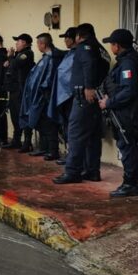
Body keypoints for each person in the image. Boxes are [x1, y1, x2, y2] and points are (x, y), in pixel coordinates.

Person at [99, 29, 138, 198]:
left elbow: (128, 90)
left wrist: (109, 102)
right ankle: (135, 182)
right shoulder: (136, 60)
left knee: (127, 146)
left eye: (112, 44)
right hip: (131, 111)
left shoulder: (128, 63)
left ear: (118, 45)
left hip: (128, 113)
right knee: (129, 145)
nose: (111, 47)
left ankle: (130, 184)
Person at [54, 23, 109, 185]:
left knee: (75, 134)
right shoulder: (101, 49)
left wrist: (89, 86)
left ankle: (72, 172)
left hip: (85, 97)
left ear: (79, 36)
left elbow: (89, 65)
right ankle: (92, 171)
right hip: (95, 98)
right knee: (92, 136)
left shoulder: (85, 47)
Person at [22, 33, 64, 161]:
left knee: (49, 124)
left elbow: (47, 79)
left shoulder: (51, 59)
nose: (37, 46)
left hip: (46, 96)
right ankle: (44, 148)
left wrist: (43, 93)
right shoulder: (48, 57)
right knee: (42, 122)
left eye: (38, 44)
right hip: (43, 96)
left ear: (43, 44)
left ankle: (53, 151)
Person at [49, 27, 78, 166]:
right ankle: (69, 152)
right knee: (66, 126)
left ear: (74, 39)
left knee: (72, 128)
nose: (65, 40)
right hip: (65, 96)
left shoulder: (77, 54)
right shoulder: (69, 53)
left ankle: (72, 155)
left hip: (70, 96)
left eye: (67, 38)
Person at [3, 33, 36, 152]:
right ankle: (16, 140)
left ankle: (27, 143)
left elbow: (14, 65)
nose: (16, 43)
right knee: (15, 116)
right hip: (14, 90)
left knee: (23, 116)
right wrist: (11, 59)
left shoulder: (26, 54)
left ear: (25, 43)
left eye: (19, 41)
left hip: (22, 90)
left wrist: (10, 58)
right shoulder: (19, 54)